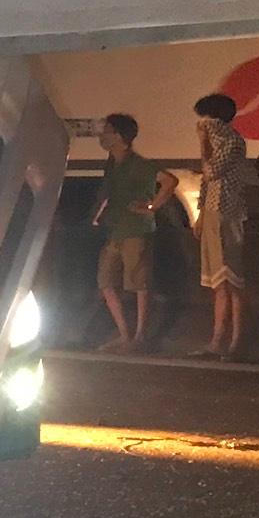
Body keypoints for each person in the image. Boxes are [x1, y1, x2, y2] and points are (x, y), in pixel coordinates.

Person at [193, 93, 259, 359]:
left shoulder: (232, 141)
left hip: (227, 212)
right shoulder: (218, 140)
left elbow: (211, 171)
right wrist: (201, 214)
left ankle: (236, 341)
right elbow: (205, 183)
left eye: (206, 119)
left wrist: (203, 143)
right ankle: (216, 341)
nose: (202, 125)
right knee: (217, 283)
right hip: (212, 212)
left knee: (231, 278)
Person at [88, 112, 157, 351]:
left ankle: (139, 337)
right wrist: (96, 216)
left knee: (139, 283)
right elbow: (106, 194)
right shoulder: (113, 163)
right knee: (106, 281)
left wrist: (151, 207)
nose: (102, 136)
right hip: (116, 229)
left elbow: (169, 181)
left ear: (119, 136)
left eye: (107, 131)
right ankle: (126, 334)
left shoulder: (138, 164)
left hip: (135, 229)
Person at [140, 166, 197, 349]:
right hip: (163, 239)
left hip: (165, 240)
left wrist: (151, 207)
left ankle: (158, 335)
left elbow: (171, 181)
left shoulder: (143, 171)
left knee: (165, 287)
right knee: (161, 286)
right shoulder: (167, 207)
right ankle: (156, 334)